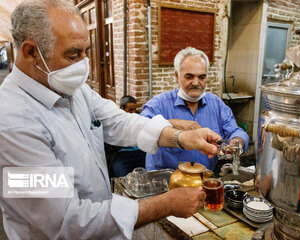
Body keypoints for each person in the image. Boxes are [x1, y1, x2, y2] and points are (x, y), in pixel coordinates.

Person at [0, 1, 222, 239]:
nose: (84, 64)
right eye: (73, 55)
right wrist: (165, 204)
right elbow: (66, 221)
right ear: (31, 52)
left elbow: (119, 122)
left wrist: (179, 137)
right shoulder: (11, 124)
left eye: (86, 52)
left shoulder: (72, 90)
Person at [141, 47, 249, 171]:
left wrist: (236, 142)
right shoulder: (158, 105)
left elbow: (236, 132)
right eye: (189, 77)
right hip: (167, 185)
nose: (196, 82)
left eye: (202, 77)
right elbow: (140, 129)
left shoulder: (216, 104)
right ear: (177, 76)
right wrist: (175, 124)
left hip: (203, 181)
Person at [105, 95, 146, 177]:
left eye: (135, 109)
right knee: (123, 178)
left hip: (140, 153)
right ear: (122, 108)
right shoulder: (114, 120)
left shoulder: (139, 118)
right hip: (122, 154)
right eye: (130, 110)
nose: (133, 112)